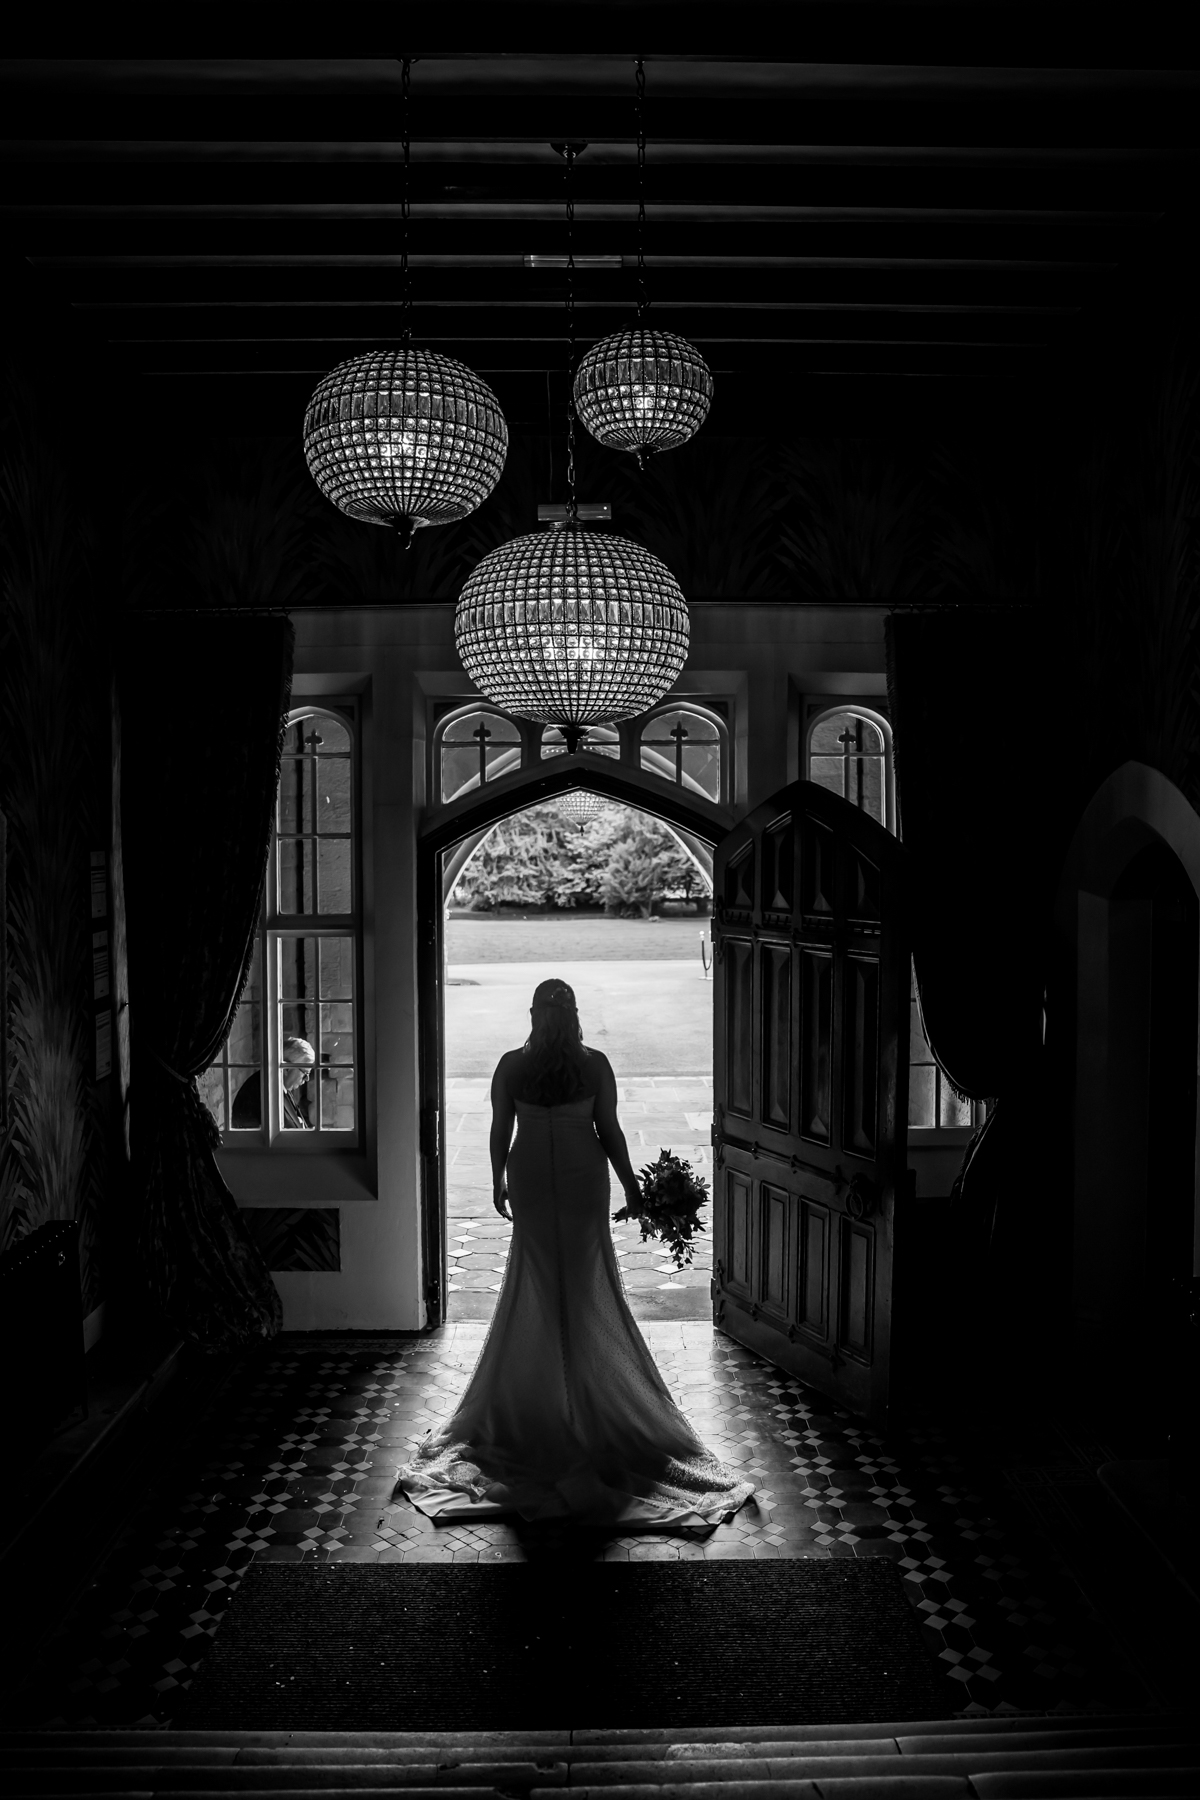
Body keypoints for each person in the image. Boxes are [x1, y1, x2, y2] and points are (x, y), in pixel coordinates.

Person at [394, 979, 753, 1528]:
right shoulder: (596, 1064)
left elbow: (500, 1128)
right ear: (576, 1016)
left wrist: (496, 1179)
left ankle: (548, 1391)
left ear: (535, 1014)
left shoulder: (512, 1065)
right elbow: (606, 1129)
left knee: (537, 1277)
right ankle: (584, 1391)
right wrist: (632, 1188)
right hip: (585, 1178)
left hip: (532, 1172)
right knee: (585, 1280)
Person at [230, 1035, 315, 1129]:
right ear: (286, 1068)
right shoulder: (261, 1094)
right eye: (305, 1073)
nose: (307, 1079)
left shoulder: (278, 1083)